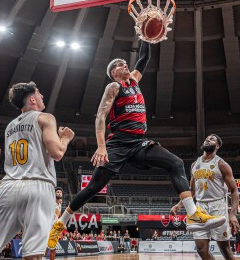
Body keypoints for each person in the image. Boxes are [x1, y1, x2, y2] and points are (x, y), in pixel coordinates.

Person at [47, 41, 225, 249]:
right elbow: (100, 117)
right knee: (94, 187)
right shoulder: (114, 86)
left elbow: (144, 58)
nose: (126, 65)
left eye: (125, 63)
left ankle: (193, 214)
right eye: (121, 65)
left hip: (139, 143)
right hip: (118, 144)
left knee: (175, 163)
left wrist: (145, 34)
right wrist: (102, 146)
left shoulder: (134, 81)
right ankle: (60, 224)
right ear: (113, 72)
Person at [0, 81, 75, 260]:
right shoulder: (46, 118)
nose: (42, 96)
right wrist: (65, 138)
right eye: (39, 93)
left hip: (9, 187)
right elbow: (57, 153)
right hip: (38, 186)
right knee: (33, 255)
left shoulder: (10, 126)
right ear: (32, 99)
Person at [171, 134, 240, 260]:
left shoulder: (222, 164)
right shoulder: (194, 165)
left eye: (212, 139)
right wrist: (179, 204)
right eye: (207, 138)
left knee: (225, 249)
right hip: (200, 208)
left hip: (218, 206)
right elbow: (192, 190)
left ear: (217, 146)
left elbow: (234, 191)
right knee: (202, 249)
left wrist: (233, 214)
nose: (208, 139)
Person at [44, 187, 64, 260]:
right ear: (54, 194)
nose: (59, 193)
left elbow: (58, 216)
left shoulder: (60, 204)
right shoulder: (52, 202)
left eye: (60, 192)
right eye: (57, 192)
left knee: (53, 247)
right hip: (48, 226)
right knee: (47, 247)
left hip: (55, 227)